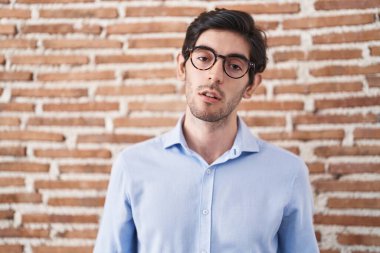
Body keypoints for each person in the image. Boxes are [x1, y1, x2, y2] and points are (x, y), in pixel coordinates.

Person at [94, 8, 319, 253]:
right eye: (203, 58)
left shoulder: (288, 173)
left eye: (234, 66)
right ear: (182, 67)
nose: (214, 76)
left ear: (251, 85)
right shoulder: (132, 166)